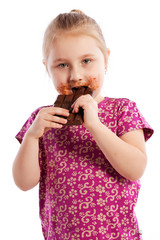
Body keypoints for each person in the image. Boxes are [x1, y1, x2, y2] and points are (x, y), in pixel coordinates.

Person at [13, 10, 153, 240]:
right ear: (46, 67)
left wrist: (96, 125)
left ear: (105, 58)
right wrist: (31, 137)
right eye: (62, 65)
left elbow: (135, 168)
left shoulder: (122, 110)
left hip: (118, 236)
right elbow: (23, 182)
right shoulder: (42, 121)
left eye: (86, 61)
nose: (75, 75)